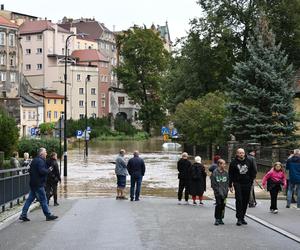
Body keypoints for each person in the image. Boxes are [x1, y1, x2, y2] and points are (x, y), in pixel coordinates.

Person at [19, 148, 58, 222]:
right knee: (44, 199)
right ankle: (48, 215)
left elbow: (30, 170)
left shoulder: (34, 160)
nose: (46, 153)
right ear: (41, 154)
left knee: (30, 199)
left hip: (33, 183)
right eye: (45, 152)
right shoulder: (40, 161)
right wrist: (48, 170)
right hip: (38, 184)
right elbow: (42, 171)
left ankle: (23, 215)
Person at [229, 148, 257, 226]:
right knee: (239, 200)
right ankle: (239, 218)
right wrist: (230, 184)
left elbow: (254, 171)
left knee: (245, 200)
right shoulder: (233, 162)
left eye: (243, 153)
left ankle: (242, 217)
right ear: (237, 154)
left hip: (247, 183)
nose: (241, 154)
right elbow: (230, 174)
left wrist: (251, 180)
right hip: (237, 183)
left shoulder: (250, 161)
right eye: (240, 153)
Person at [211, 159, 229, 225]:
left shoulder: (226, 173)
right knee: (218, 205)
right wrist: (217, 191)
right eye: (223, 164)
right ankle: (217, 218)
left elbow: (227, 182)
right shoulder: (215, 173)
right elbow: (213, 184)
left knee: (223, 205)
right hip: (218, 193)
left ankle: (221, 218)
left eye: (225, 164)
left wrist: (227, 189)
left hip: (225, 193)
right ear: (219, 164)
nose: (224, 165)